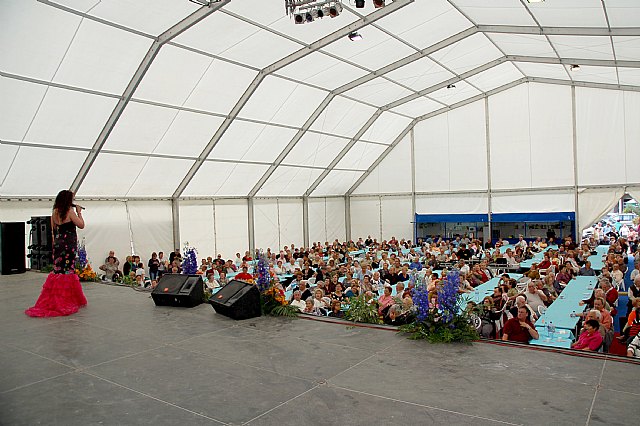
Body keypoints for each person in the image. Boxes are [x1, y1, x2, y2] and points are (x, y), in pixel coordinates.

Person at [25, 190, 87, 317]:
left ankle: (55, 298)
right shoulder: (70, 212)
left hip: (59, 244)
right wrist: (79, 212)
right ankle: (64, 300)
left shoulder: (54, 212)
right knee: (67, 271)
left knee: (59, 270)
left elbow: (53, 229)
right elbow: (81, 225)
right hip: (68, 244)